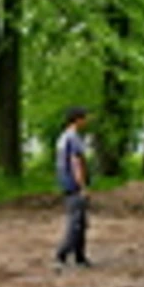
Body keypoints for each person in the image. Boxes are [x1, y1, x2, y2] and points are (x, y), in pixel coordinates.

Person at [53, 106, 93, 271]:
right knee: (76, 222)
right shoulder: (73, 138)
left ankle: (80, 256)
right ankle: (62, 255)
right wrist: (82, 185)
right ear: (77, 119)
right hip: (73, 184)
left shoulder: (63, 138)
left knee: (81, 221)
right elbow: (76, 162)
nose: (86, 120)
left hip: (65, 182)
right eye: (84, 117)